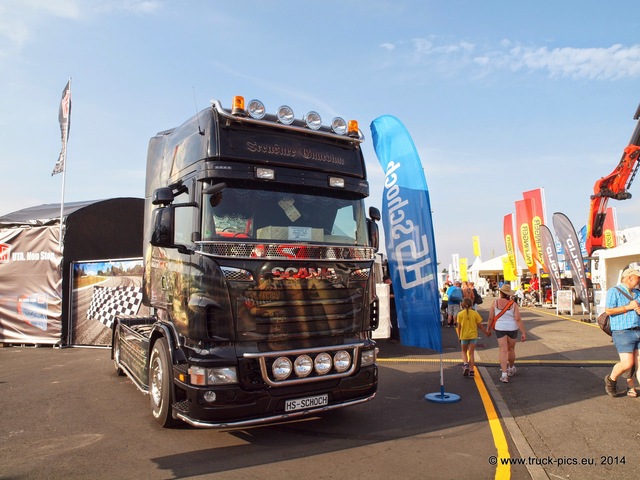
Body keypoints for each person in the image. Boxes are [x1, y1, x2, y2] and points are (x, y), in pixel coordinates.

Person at [603, 267, 640, 397]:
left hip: (638, 330)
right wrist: (628, 307)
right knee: (627, 363)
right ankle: (611, 379)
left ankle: (632, 387)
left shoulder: (637, 293)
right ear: (630, 278)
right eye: (638, 278)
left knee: (639, 363)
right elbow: (609, 310)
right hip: (622, 332)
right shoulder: (614, 291)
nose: (639, 280)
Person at [487, 283, 526, 383]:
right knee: (511, 349)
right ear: (509, 294)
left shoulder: (495, 303)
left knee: (503, 350)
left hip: (500, 328)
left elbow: (491, 318)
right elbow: (517, 319)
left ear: (500, 293)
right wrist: (523, 332)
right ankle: (511, 368)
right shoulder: (513, 304)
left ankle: (504, 374)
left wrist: (488, 329)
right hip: (512, 328)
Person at [456, 298, 491, 377]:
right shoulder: (475, 314)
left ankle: (465, 364)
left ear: (463, 305)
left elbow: (459, 327)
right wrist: (486, 332)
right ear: (472, 305)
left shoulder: (460, 314)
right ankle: (471, 370)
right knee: (471, 353)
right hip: (473, 336)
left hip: (464, 336)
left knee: (464, 351)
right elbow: (480, 325)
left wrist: (459, 336)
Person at [383, 275, 400, 343]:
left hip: (393, 306)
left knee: (394, 322)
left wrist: (387, 295)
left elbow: (395, 295)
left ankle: (396, 337)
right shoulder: (387, 286)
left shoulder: (393, 286)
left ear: (388, 280)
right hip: (389, 306)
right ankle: (392, 335)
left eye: (385, 281)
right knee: (390, 322)